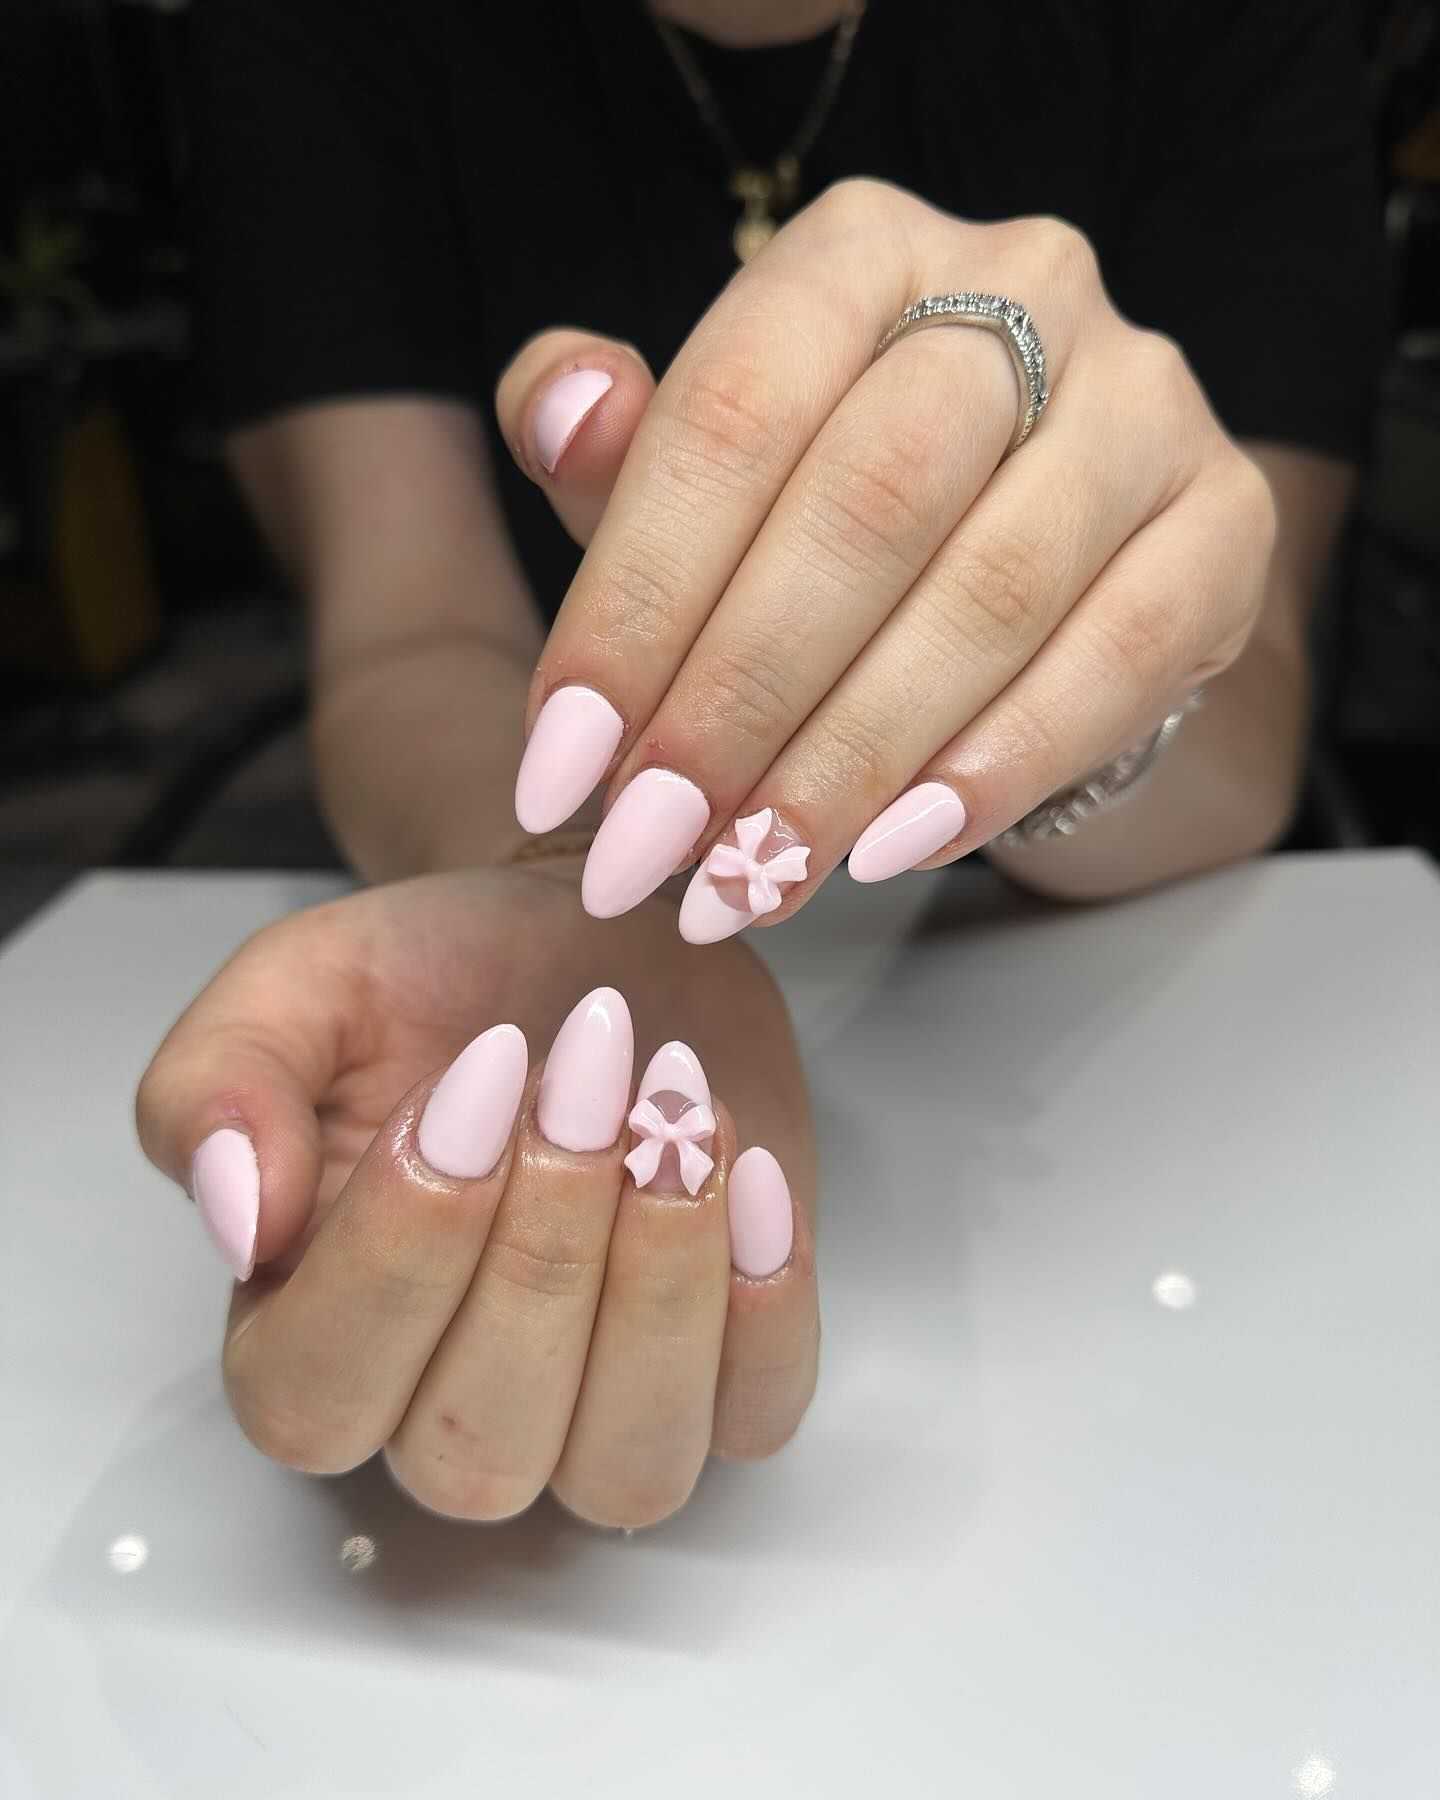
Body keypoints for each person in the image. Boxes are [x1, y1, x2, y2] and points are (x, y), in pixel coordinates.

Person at [135, 0, 1385, 1528]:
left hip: (1168, 1152)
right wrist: (568, 902)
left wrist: (1085, 727)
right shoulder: (320, 40)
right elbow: (407, 640)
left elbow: (1246, 724)